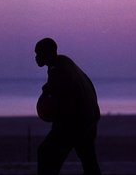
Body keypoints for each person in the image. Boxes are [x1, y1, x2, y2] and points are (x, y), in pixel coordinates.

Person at [35, 38, 102, 175]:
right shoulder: (65, 63)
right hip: (89, 118)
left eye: (38, 54)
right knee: (89, 161)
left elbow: (61, 98)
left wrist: (46, 90)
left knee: (45, 153)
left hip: (75, 122)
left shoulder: (59, 70)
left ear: (47, 53)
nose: (36, 57)